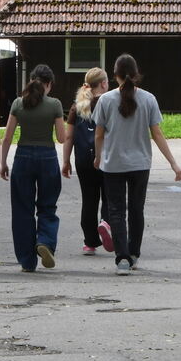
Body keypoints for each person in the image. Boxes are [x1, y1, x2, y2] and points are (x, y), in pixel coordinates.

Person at [94, 54, 181, 275]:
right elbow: (157, 134)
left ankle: (122, 259)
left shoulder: (105, 100)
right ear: (136, 74)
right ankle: (133, 254)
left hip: (113, 163)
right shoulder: (148, 99)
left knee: (116, 211)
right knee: (136, 209)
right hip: (140, 164)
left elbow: (99, 135)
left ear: (114, 75)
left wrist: (98, 157)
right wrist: (173, 163)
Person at [0, 64, 65, 272]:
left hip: (23, 157)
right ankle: (45, 241)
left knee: (22, 209)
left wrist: (2, 162)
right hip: (47, 157)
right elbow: (61, 138)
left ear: (31, 80)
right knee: (48, 205)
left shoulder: (19, 103)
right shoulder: (55, 104)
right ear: (49, 84)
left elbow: (7, 137)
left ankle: (27, 261)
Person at [62, 67, 110, 256]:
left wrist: (66, 161)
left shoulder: (77, 106)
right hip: (106, 157)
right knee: (109, 196)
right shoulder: (109, 103)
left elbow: (69, 137)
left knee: (89, 200)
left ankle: (90, 243)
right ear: (104, 84)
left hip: (83, 160)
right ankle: (106, 223)